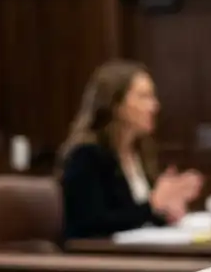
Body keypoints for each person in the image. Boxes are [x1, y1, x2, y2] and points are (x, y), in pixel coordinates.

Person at [58, 59, 203, 241]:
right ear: (115, 105)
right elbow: (89, 224)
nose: (154, 106)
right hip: (103, 261)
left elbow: (136, 218)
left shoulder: (139, 152)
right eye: (144, 97)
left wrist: (166, 211)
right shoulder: (86, 156)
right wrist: (154, 203)